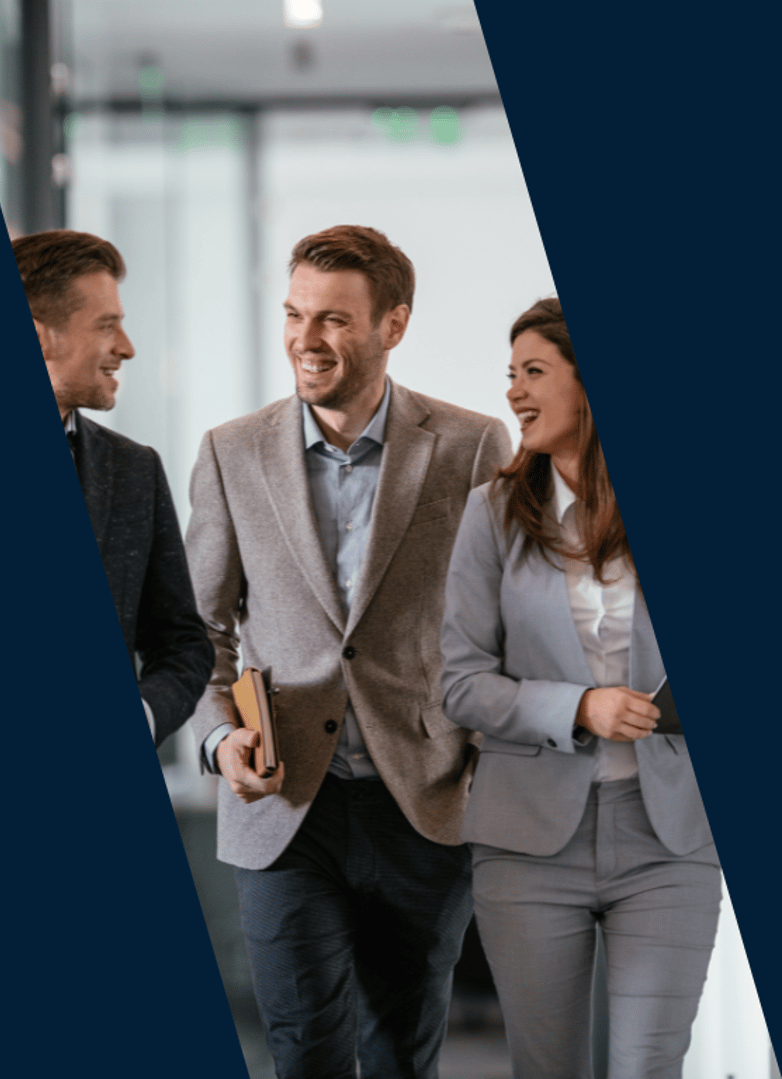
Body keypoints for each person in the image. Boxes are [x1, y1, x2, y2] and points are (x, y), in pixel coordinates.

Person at [184, 224, 510, 1076]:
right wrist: (223, 741)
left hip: (425, 801)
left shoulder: (472, 448)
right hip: (286, 807)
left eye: (332, 318)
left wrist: (482, 760)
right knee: (305, 1051)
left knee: (404, 1051)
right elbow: (200, 629)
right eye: (294, 314)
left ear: (393, 324)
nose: (305, 338)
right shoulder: (231, 452)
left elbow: (503, 622)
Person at [441, 298, 717, 1078]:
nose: (515, 393)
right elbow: (460, 682)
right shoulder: (490, 516)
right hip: (528, 841)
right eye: (511, 374)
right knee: (548, 1066)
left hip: (672, 835)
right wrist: (579, 707)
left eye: (535, 372)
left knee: (648, 1063)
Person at [12, 229, 212, 745]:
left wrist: (143, 715)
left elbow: (183, 645)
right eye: (107, 326)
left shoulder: (133, 470)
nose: (127, 348)